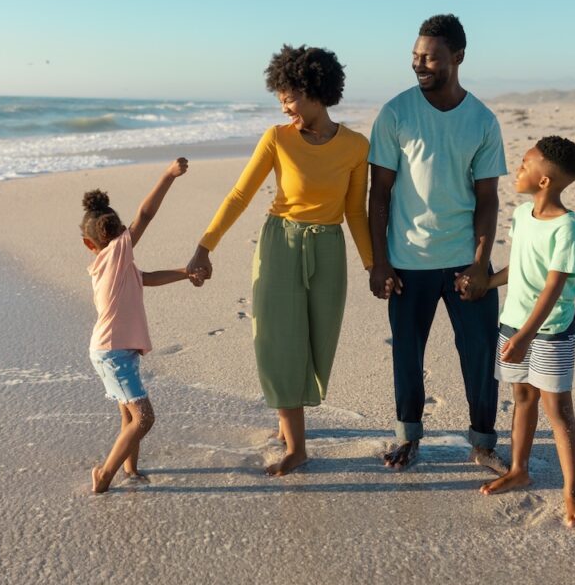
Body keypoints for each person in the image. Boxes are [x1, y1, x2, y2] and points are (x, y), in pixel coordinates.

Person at [186, 45, 373, 476]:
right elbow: (239, 195)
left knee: (315, 342)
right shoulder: (276, 138)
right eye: (280, 98)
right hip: (279, 246)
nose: (284, 105)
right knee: (277, 340)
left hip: (327, 248)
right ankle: (298, 444)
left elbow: (356, 212)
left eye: (288, 96)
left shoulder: (356, 146)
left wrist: (371, 265)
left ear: (313, 91)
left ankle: (286, 419)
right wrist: (204, 246)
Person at [368, 14, 507, 471]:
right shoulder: (395, 113)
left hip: (464, 261)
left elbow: (488, 198)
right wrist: (380, 262)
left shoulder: (482, 120)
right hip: (408, 260)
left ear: (458, 58)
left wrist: (481, 263)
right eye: (414, 56)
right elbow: (379, 193)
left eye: (430, 57)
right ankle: (407, 436)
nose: (419, 64)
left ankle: (483, 442)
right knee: (407, 352)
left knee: (481, 354)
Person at [473, 136, 575, 527]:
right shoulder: (522, 215)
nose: (518, 169)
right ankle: (519, 468)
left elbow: (553, 285)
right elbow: (521, 267)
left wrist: (525, 336)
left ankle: (572, 492)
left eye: (525, 164)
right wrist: (486, 284)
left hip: (549, 330)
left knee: (558, 411)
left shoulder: (566, 227)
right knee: (523, 396)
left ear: (545, 180)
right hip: (513, 321)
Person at [83, 158, 198, 494]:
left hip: (114, 350)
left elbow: (145, 279)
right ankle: (104, 475)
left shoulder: (116, 267)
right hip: (113, 352)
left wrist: (184, 272)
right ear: (119, 236)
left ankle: (130, 469)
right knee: (145, 418)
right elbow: (146, 216)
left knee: (130, 418)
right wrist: (167, 175)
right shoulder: (115, 255)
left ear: (88, 244)